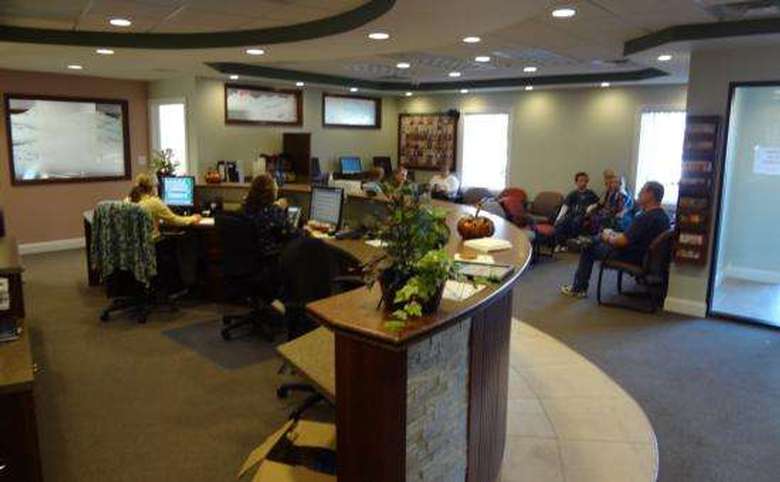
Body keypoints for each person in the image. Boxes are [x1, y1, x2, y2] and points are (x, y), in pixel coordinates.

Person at [560, 181, 670, 298]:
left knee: (589, 248)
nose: (638, 193)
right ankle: (586, 240)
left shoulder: (645, 218)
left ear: (650, 195)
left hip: (632, 256)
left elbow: (622, 242)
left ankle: (578, 288)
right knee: (601, 236)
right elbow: (632, 236)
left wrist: (607, 237)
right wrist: (613, 234)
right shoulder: (663, 216)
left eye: (642, 191)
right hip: (643, 255)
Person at [127, 173, 201, 241]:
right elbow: (175, 220)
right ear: (151, 188)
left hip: (134, 247)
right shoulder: (154, 202)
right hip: (152, 245)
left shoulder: (127, 201)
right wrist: (193, 218)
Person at [242, 173, 299, 257]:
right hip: (271, 259)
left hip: (251, 259)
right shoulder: (273, 212)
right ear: (271, 193)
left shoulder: (245, 208)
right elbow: (294, 234)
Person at [554, 172, 599, 243]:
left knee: (576, 222)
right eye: (581, 181)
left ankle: (573, 243)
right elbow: (565, 206)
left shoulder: (591, 194)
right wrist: (558, 218)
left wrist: (592, 207)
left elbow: (598, 203)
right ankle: (560, 244)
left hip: (583, 216)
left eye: (585, 181)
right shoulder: (573, 194)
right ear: (576, 182)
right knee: (561, 223)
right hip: (572, 214)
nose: (583, 183)